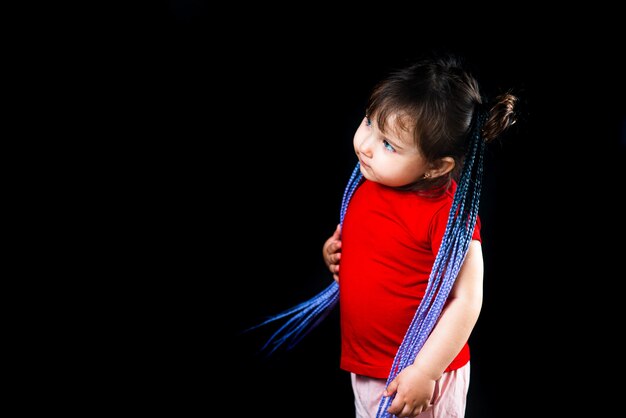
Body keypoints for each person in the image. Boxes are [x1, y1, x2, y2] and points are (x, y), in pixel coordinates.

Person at [252, 53, 517, 418]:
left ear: (436, 167)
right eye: (369, 122)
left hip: (418, 375)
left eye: (389, 144)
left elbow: (467, 300)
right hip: (367, 364)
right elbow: (363, 240)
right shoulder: (369, 180)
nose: (366, 144)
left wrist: (425, 371)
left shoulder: (449, 215)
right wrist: (334, 253)